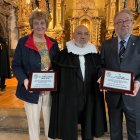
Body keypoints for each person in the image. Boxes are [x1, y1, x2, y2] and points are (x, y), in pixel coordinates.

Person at [48, 25, 107, 140]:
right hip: (69, 98)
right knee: (68, 129)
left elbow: (102, 71)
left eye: (86, 34)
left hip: (90, 96)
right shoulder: (63, 55)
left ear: (89, 36)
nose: (83, 37)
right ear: (73, 35)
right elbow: (55, 75)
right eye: (79, 33)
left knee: (89, 126)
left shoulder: (95, 55)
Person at [12, 9, 59, 140]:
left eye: (42, 23)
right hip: (31, 90)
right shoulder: (23, 42)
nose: (40, 26)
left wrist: (52, 76)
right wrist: (25, 81)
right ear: (32, 25)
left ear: (46, 24)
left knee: (50, 121)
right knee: (33, 123)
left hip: (49, 90)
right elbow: (16, 65)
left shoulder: (53, 43)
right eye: (36, 23)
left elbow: (58, 65)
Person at [100, 9, 140, 140]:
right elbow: (101, 66)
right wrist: (102, 77)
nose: (124, 24)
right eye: (120, 21)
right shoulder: (106, 44)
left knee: (135, 133)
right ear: (115, 25)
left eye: (127, 20)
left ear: (132, 23)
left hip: (134, 97)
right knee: (115, 132)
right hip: (113, 97)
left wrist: (138, 82)